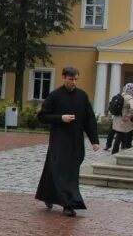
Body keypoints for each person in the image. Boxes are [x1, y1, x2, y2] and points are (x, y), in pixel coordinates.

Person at [35, 66, 99, 217]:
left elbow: (89, 119)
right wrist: (60, 118)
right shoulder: (55, 96)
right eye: (71, 79)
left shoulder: (82, 96)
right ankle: (68, 204)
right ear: (64, 78)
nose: (73, 82)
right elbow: (42, 116)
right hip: (59, 140)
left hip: (76, 140)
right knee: (63, 170)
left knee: (61, 170)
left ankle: (47, 195)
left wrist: (94, 140)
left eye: (76, 79)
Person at [110, 84, 133, 154]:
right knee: (122, 133)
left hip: (117, 117)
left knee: (120, 133)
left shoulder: (121, 95)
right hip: (124, 118)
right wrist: (129, 115)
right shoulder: (129, 97)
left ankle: (119, 149)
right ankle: (117, 150)